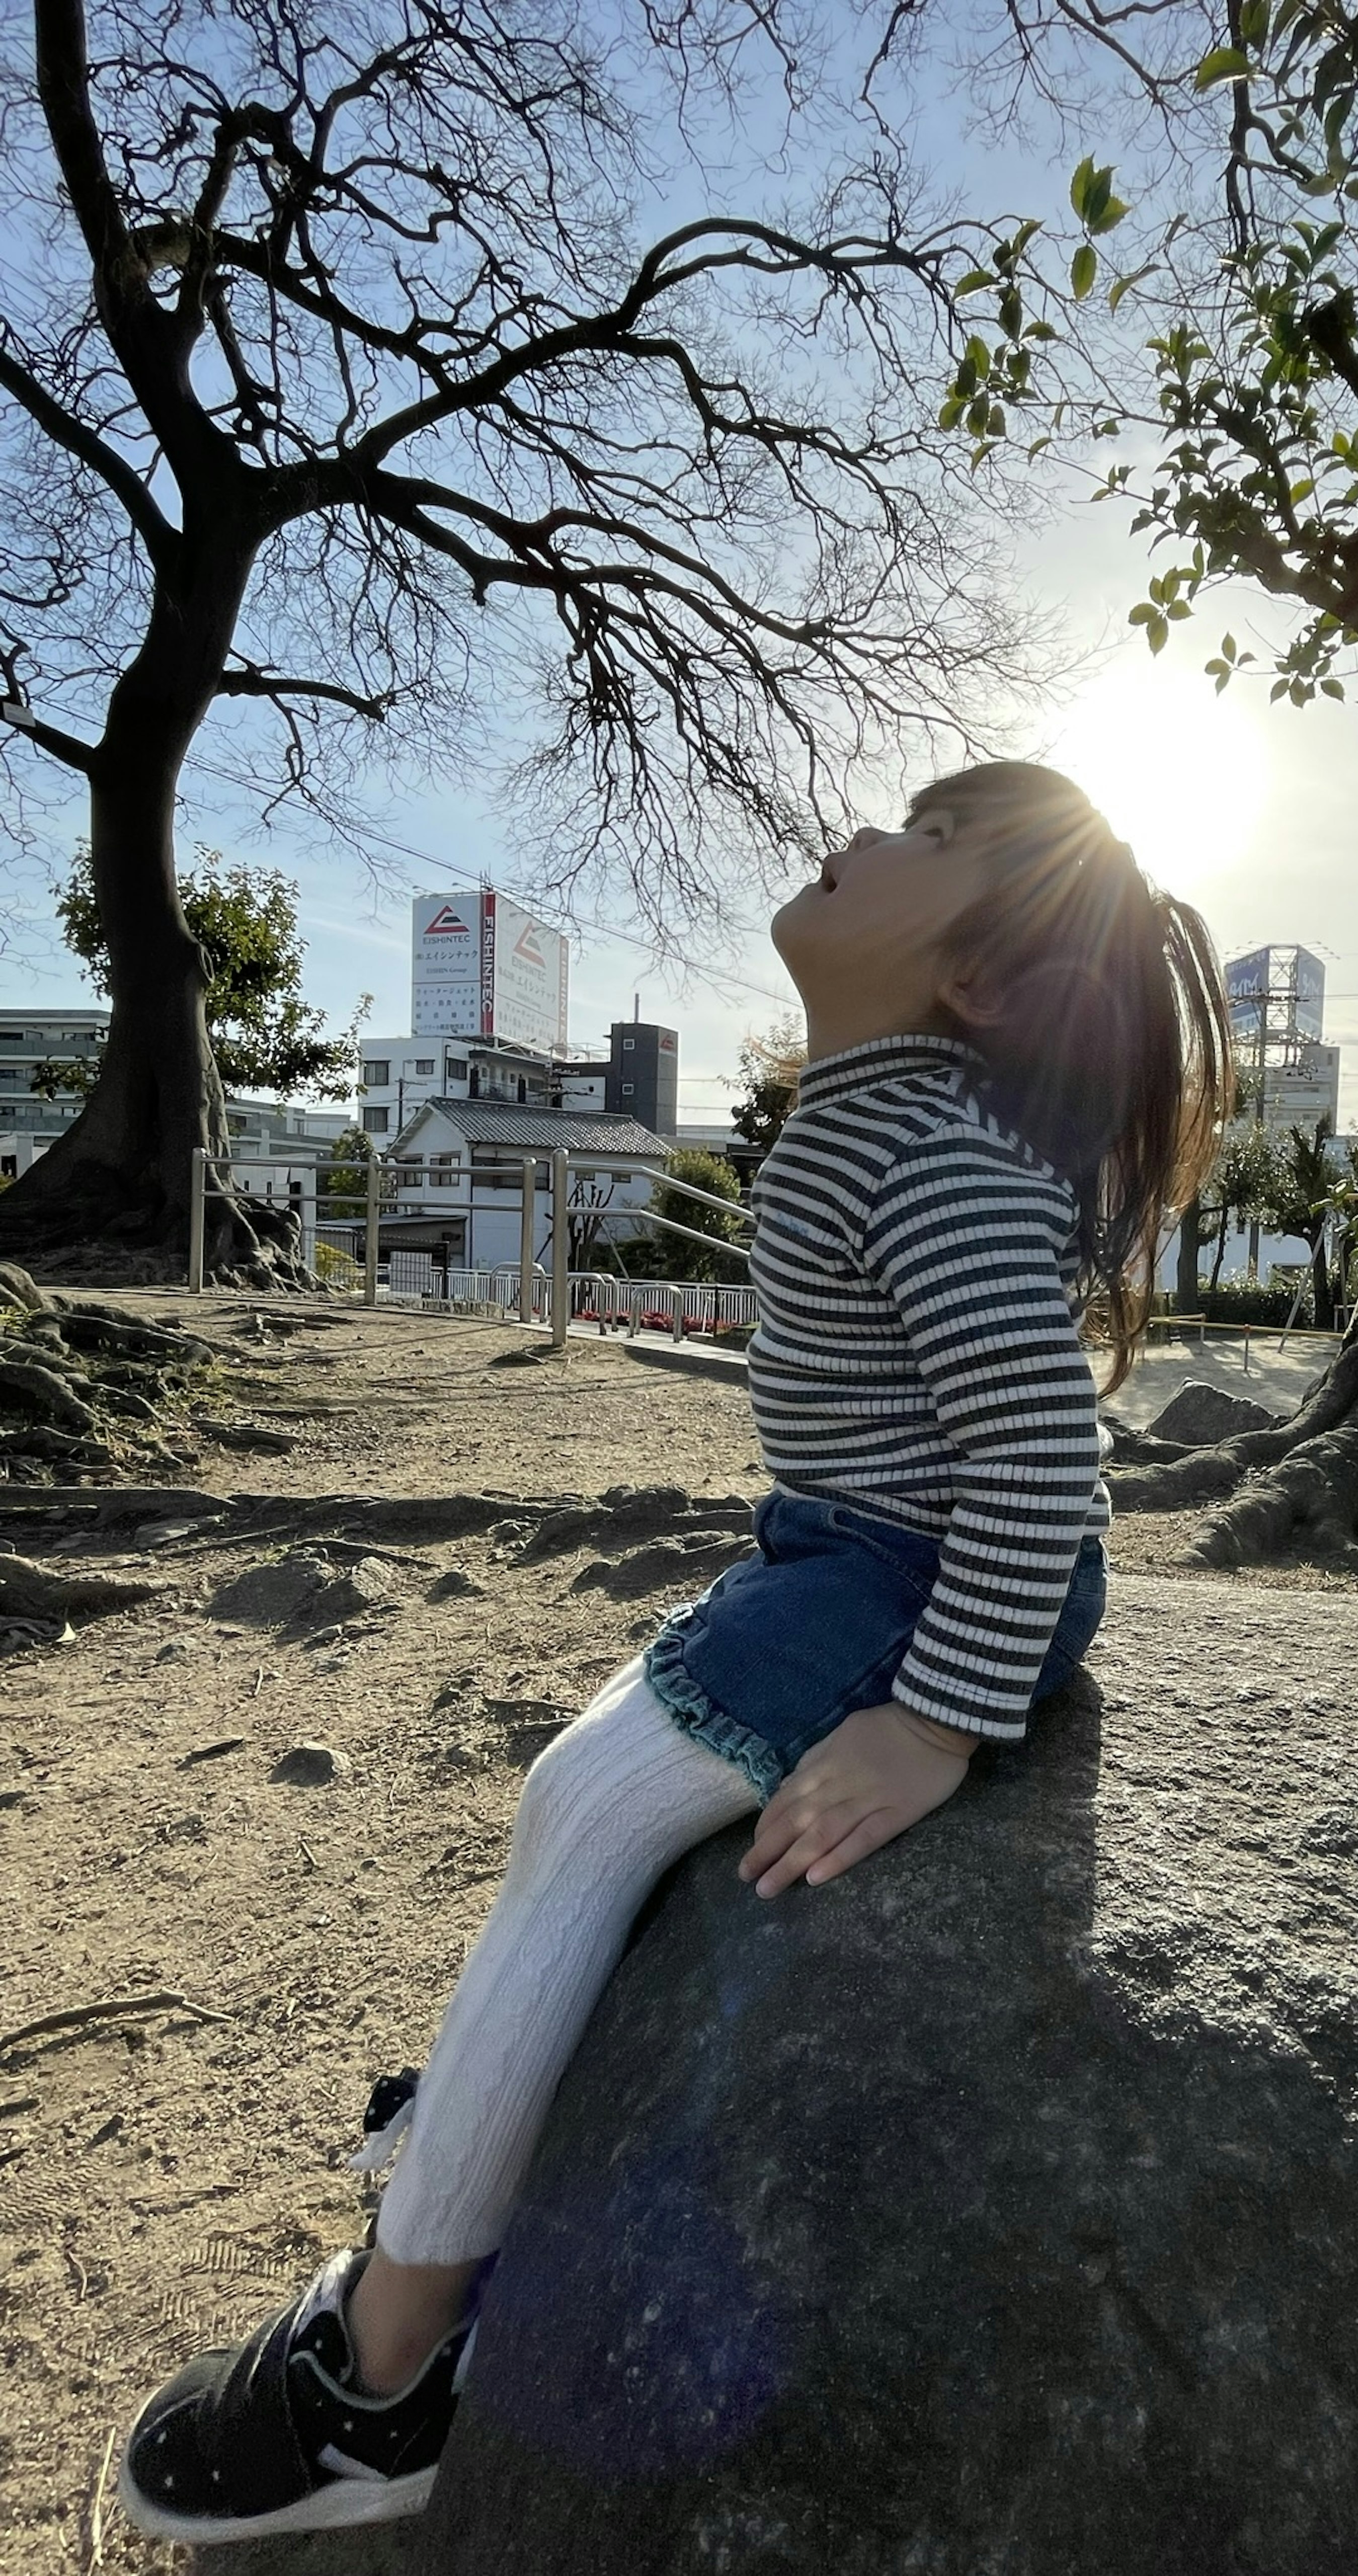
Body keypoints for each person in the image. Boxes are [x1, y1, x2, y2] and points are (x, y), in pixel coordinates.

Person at [118, 760, 1232, 2545]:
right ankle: (498, 2150)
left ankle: (381, 2378)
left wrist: (938, 1723)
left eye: (933, 843)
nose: (866, 835)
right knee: (573, 1810)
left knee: (580, 1815)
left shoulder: (932, 1148)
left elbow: (1039, 1467)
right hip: (841, 1550)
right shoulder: (871, 1111)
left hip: (914, 1577)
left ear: (981, 983)